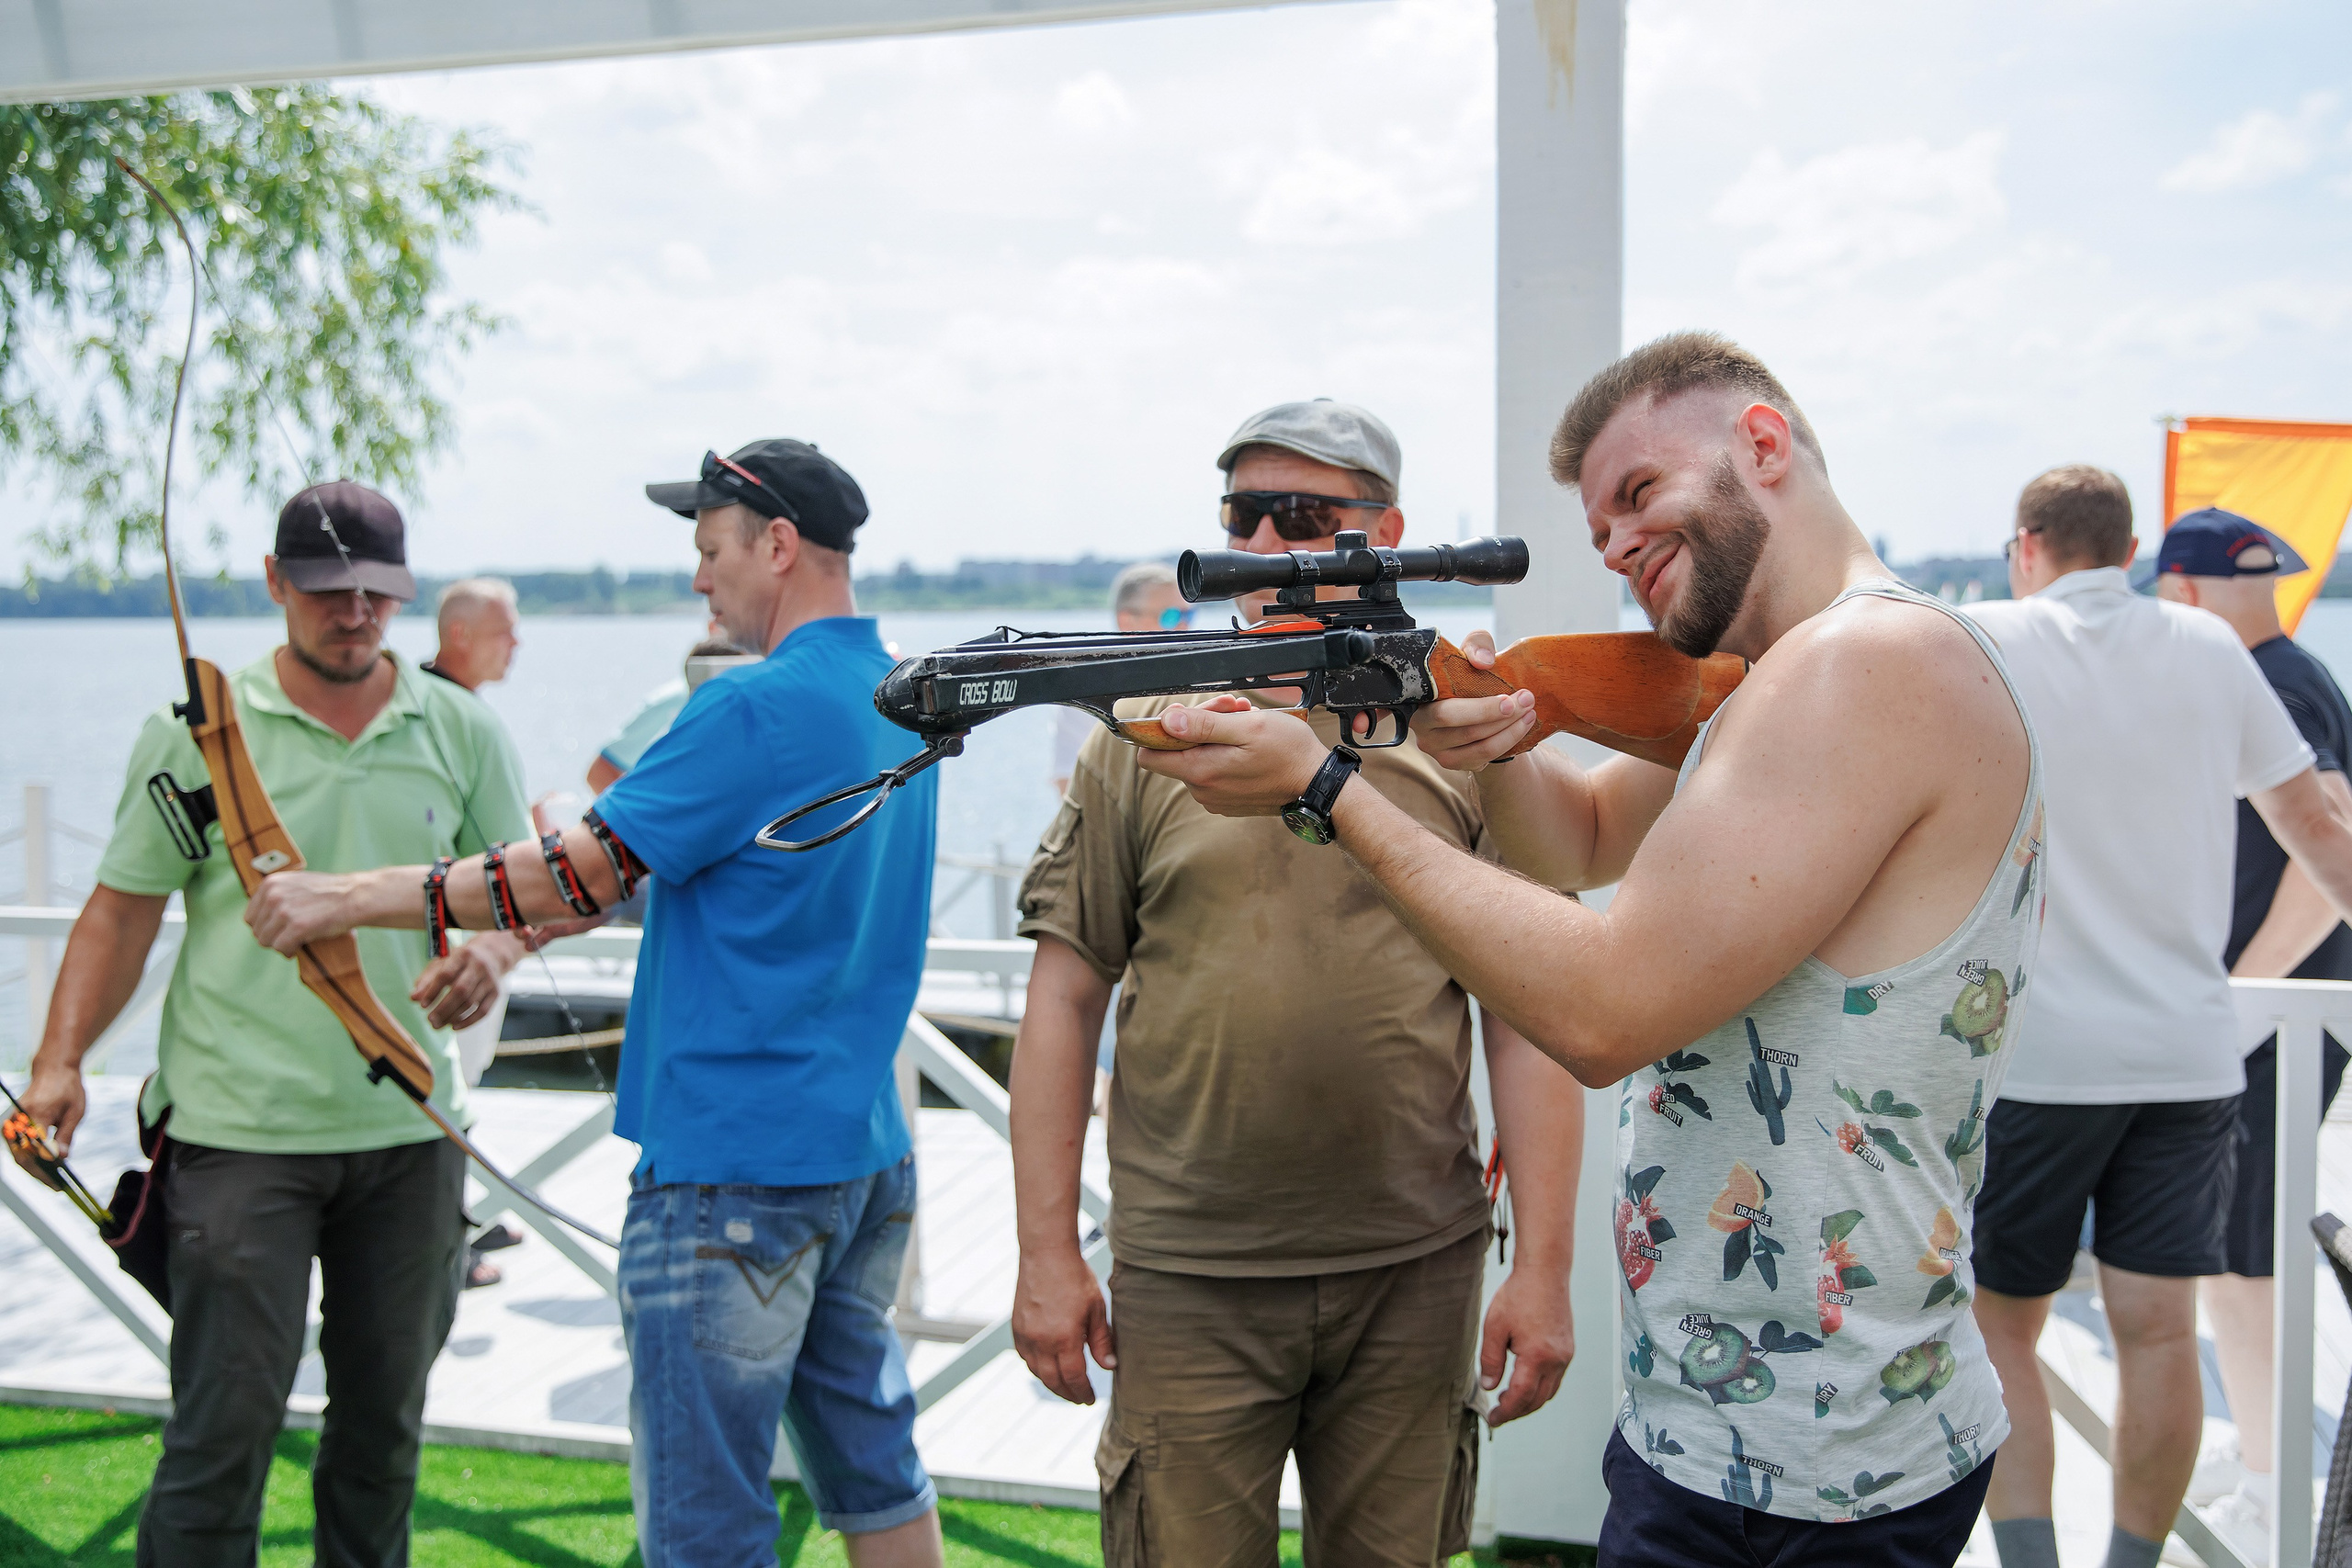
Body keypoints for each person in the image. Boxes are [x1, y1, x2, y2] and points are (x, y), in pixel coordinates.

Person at [1124, 335, 2052, 1565]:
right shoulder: (1777, 683)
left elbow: (1606, 1013)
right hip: (1741, 1422)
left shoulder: (1863, 666)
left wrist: (1331, 784)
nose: (1614, 545)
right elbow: (1590, 836)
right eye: (1599, 526)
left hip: (1813, 1462)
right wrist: (1489, 737)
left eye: (1638, 494)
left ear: (1764, 446)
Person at [242, 440, 946, 1568]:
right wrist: (530, 921)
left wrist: (349, 896)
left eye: (713, 550)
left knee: (705, 1521)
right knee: (873, 1470)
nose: (700, 580)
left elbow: (572, 871)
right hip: (862, 1154)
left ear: (777, 545)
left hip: (731, 1172)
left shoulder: (749, 708)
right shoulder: (903, 697)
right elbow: (672, 872)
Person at [1009, 399, 1583, 1568]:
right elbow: (1064, 999)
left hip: (1415, 1272)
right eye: (1244, 516)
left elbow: (1532, 1014)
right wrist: (1045, 1252)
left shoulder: (1461, 726)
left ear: (1390, 532)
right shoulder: (1145, 732)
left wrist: (1547, 1269)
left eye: (1306, 517)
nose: (1266, 546)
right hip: (1187, 1274)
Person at [9, 480, 534, 1567]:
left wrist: (491, 948)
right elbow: (120, 908)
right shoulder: (193, 732)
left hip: (411, 1135)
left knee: (382, 1438)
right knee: (220, 1435)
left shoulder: (463, 725)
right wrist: (60, 1062)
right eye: (327, 591)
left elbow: (525, 885)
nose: (354, 616)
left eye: (378, 596)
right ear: (274, 583)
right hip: (236, 1140)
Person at [1960, 469, 2352, 1568]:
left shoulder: (1986, 638)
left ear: (2026, 546)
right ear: (2130, 551)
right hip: (2189, 1058)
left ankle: (2032, 1562)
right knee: (2159, 1330)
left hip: (2043, 1062)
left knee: (2000, 1330)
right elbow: (2315, 826)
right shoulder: (2211, 652)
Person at [2153, 508, 2352, 1561]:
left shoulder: (2269, 683)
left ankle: (2279, 1479)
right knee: (2231, 1248)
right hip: (2270, 1015)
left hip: (2275, 1018)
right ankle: (2254, 1440)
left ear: (2182, 594)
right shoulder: (2298, 667)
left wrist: (2239, 996)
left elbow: (2329, 862)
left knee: (2245, 1256)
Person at [1046, 561, 1190, 798]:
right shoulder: (1084, 689)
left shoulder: (1196, 682)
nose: (1184, 626)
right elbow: (1067, 785)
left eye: (1188, 614)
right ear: (1128, 621)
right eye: (1172, 616)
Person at [423, 577, 522, 692]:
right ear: (460, 634)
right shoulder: (424, 703)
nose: (516, 642)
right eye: (502, 631)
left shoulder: (428, 694)